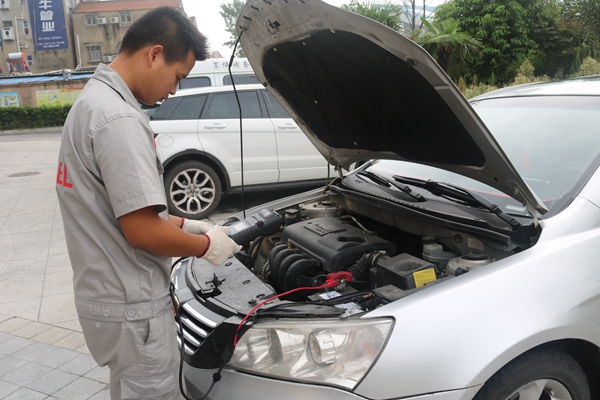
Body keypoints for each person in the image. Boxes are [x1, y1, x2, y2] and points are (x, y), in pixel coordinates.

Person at [55, 7, 240, 400]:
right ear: (155, 54)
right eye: (178, 77)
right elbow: (140, 230)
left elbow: (120, 207)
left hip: (106, 297)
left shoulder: (92, 101)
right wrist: (208, 246)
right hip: (131, 306)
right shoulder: (117, 119)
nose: (174, 91)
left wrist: (186, 225)